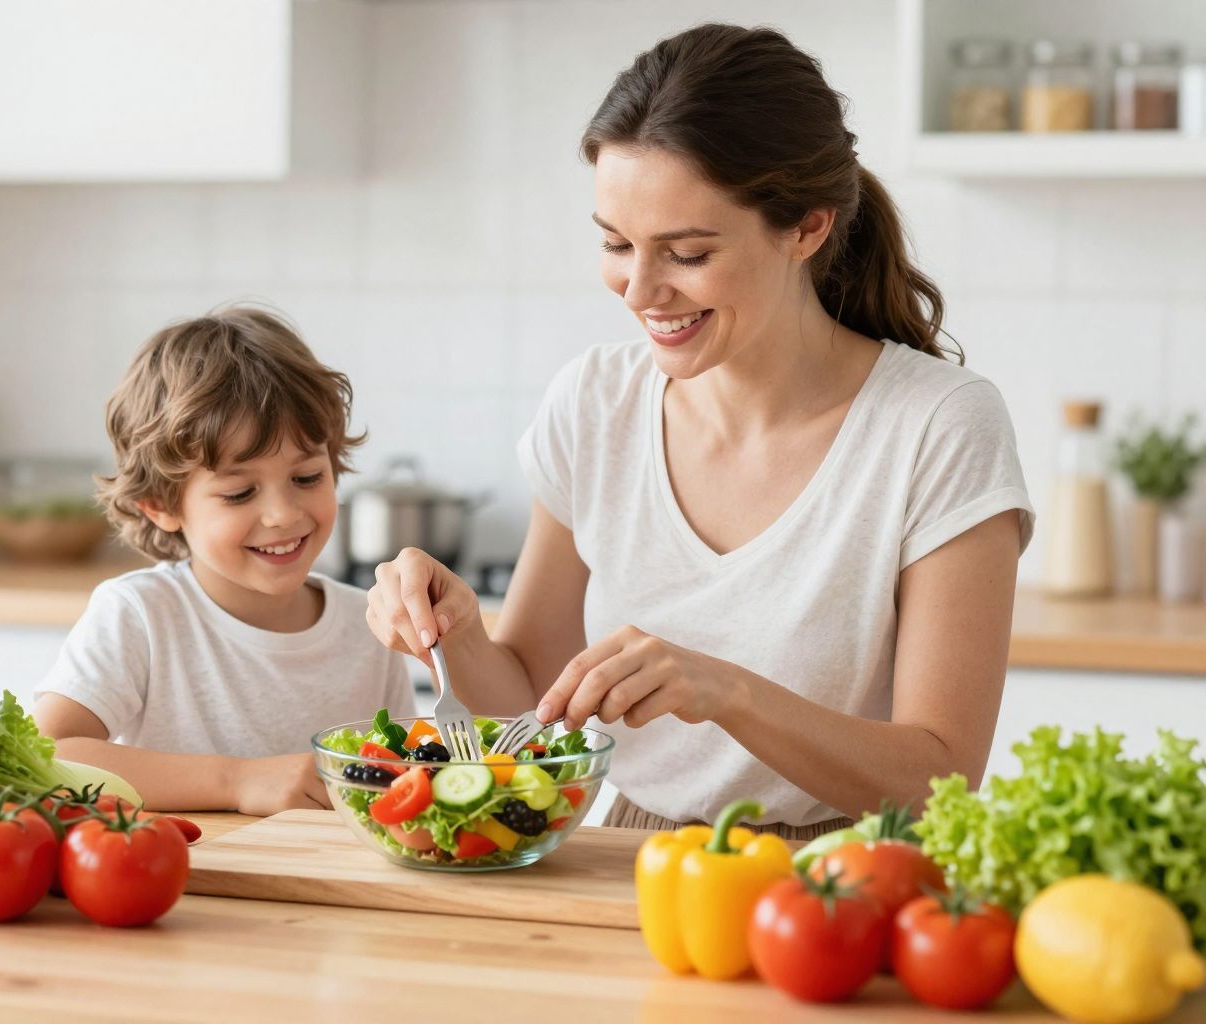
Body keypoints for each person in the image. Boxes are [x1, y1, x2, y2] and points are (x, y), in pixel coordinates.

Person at [364, 24, 1033, 839]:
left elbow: (938, 779)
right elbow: (533, 711)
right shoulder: (595, 403)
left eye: (685, 252)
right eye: (616, 243)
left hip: (852, 883)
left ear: (807, 227)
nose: (640, 289)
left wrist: (728, 693)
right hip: (634, 860)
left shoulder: (937, 426)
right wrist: (460, 633)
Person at [34, 305, 415, 814]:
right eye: (239, 493)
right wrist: (237, 781)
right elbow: (48, 758)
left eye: (306, 478)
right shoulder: (140, 613)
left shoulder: (371, 626)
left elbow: (400, 780)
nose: (282, 515)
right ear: (163, 506)